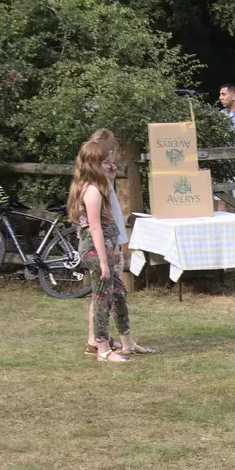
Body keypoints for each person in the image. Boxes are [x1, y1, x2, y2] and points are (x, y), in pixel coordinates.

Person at [69, 130, 146, 362]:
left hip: (108, 246)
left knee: (118, 293)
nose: (110, 162)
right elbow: (95, 229)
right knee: (101, 298)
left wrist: (110, 179)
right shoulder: (91, 191)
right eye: (105, 161)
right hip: (98, 250)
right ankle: (101, 348)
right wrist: (104, 261)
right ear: (95, 164)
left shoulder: (98, 185)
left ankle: (125, 342)